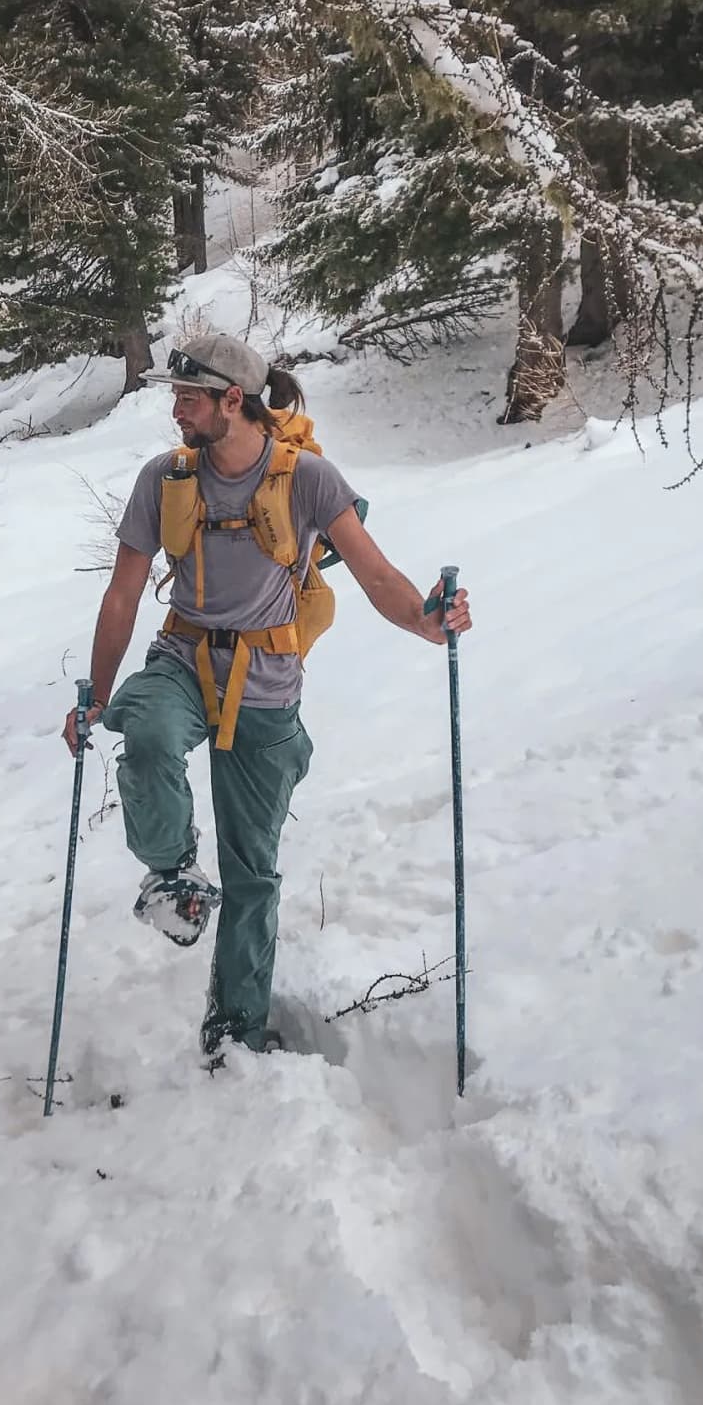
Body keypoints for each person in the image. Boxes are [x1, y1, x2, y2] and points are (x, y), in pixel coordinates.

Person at [63, 334, 472, 1058]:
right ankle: (173, 873)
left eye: (189, 397)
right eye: (175, 396)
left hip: (268, 684)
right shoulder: (165, 479)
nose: (176, 411)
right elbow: (124, 591)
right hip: (182, 658)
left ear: (233, 400)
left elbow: (376, 574)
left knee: (253, 871)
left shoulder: (307, 479)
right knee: (150, 732)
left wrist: (426, 621)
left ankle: (235, 1029)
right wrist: (95, 693)